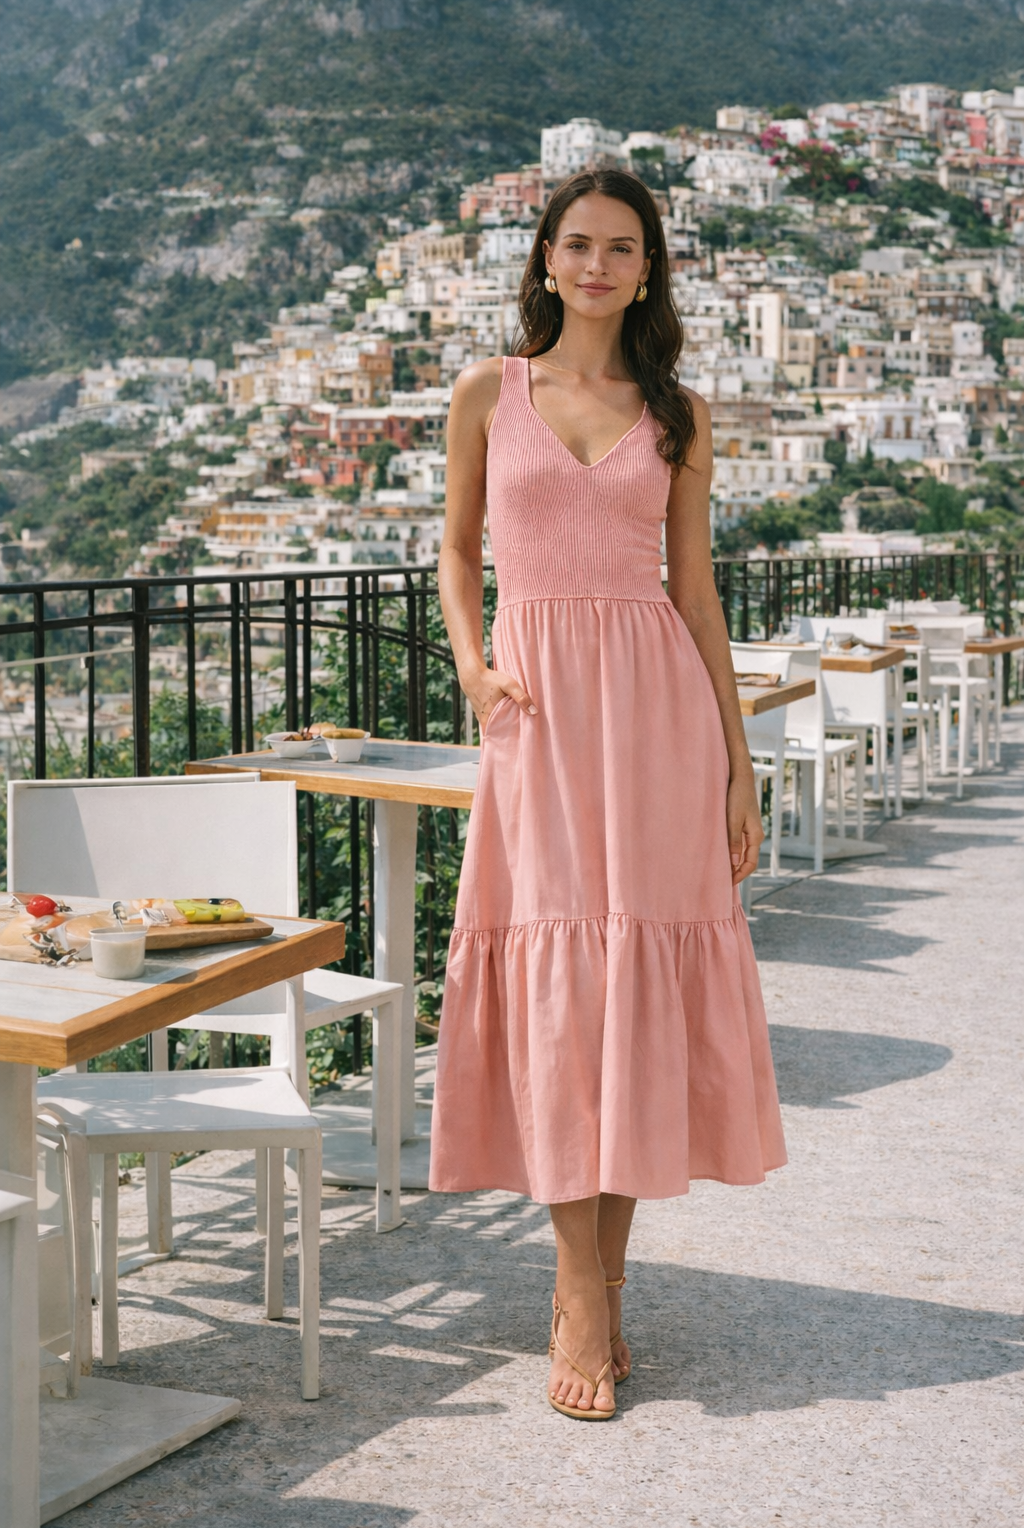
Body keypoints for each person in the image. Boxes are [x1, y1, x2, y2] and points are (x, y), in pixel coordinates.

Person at [429, 169, 786, 1421]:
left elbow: (695, 595)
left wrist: (738, 764)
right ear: (542, 259)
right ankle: (580, 1283)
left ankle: (599, 1285)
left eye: (620, 248)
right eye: (576, 243)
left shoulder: (678, 413)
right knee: (565, 992)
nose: (596, 264)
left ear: (647, 269)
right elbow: (455, 547)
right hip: (536, 722)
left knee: (633, 990)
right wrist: (474, 667)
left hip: (657, 720)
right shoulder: (490, 389)